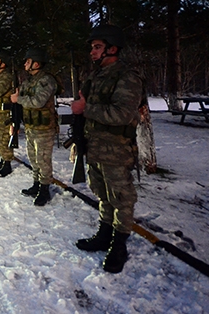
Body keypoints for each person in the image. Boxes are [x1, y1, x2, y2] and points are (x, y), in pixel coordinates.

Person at [71, 24, 143, 273]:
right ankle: (104, 234)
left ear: (112, 49)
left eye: (97, 47)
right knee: (102, 193)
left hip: (116, 149)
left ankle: (119, 245)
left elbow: (123, 114)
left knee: (121, 198)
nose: (92, 52)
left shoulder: (127, 77)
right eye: (92, 47)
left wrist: (85, 109)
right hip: (95, 146)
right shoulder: (95, 76)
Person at [11, 48, 58, 206]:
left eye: (28, 61)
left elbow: (38, 102)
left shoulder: (46, 80)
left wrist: (18, 99)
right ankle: (37, 184)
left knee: (43, 159)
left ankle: (44, 189)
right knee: (33, 157)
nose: (25, 63)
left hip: (44, 128)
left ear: (36, 63)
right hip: (31, 126)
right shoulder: (28, 81)